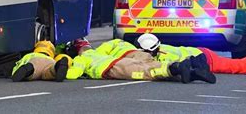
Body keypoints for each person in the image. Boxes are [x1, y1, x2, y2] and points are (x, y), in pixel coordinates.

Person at [65, 38, 216, 84]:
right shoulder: (114, 44)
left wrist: (63, 70)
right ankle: (190, 72)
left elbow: (72, 74)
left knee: (146, 72)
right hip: (130, 55)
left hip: (113, 68)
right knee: (155, 66)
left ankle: (175, 68)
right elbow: (109, 51)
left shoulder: (81, 58)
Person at [135, 34, 246, 75]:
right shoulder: (162, 47)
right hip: (200, 52)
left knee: (238, 66)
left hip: (205, 59)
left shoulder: (163, 56)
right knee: (239, 65)